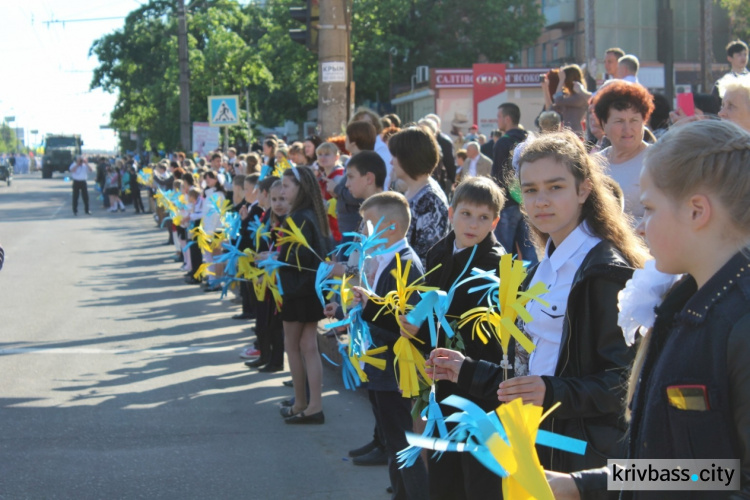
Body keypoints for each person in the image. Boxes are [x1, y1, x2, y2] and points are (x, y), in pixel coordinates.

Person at [547, 119, 750, 500]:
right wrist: (580, 485)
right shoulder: (683, 306)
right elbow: (707, 473)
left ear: (696, 211)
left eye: (650, 208)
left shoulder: (740, 322)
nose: (640, 228)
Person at [427, 129, 649, 475]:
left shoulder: (605, 271)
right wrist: (465, 370)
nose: (541, 200)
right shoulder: (542, 267)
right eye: (530, 190)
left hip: (583, 457)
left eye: (555, 187)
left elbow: (624, 384)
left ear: (584, 189)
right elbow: (529, 372)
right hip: (539, 444)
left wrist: (550, 390)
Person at [401, 177, 507, 500]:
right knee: (444, 476)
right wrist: (414, 331)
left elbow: (494, 337)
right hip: (439, 382)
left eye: (483, 217)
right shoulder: (439, 252)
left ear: (496, 221)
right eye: (466, 214)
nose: (473, 224)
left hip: (477, 387)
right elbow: (426, 311)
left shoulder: (498, 265)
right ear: (450, 213)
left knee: (478, 479)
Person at [349, 191, 430, 500]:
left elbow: (409, 324)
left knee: (403, 444)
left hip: (397, 373)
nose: (362, 232)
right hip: (381, 367)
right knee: (394, 441)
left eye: (368, 224)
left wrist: (372, 307)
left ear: (392, 228)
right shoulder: (384, 260)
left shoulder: (405, 264)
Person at [277, 166, 331, 424]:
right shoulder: (313, 215)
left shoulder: (298, 218)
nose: (282, 191)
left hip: (297, 291)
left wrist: (273, 261)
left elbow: (295, 261)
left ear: (300, 188)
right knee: (309, 347)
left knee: (294, 346)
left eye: (287, 186)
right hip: (313, 289)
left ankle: (301, 402)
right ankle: (315, 405)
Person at [592, 80, 655, 219]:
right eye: (619, 121)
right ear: (604, 125)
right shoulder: (594, 164)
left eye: (634, 120)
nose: (627, 129)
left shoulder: (657, 160)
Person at [387, 126, 449, 263]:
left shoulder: (431, 200)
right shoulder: (412, 190)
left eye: (394, 156)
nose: (391, 162)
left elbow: (426, 258)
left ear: (408, 157)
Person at [491, 102, 538, 265]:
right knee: (530, 253)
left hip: (507, 206)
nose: (497, 121)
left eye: (499, 117)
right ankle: (531, 287)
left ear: (508, 118)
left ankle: (506, 289)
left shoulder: (502, 143)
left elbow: (497, 178)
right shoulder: (531, 140)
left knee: (504, 254)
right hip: (528, 203)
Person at [543, 64, 590, 135]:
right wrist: (545, 88)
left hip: (576, 134)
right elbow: (551, 108)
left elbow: (557, 100)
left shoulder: (579, 98)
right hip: (567, 133)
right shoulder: (567, 98)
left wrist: (561, 80)